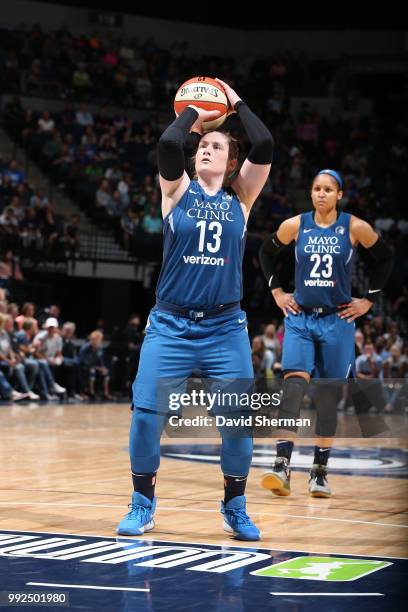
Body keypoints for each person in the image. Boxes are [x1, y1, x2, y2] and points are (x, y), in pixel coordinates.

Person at [117, 78, 273, 540]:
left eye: (217, 146)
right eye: (202, 145)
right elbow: (170, 140)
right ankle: (142, 502)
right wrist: (196, 114)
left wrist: (233, 99)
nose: (206, 149)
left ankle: (235, 504)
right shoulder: (176, 192)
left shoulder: (241, 199)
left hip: (225, 328)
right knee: (147, 415)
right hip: (170, 325)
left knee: (238, 424)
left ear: (231, 162)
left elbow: (263, 141)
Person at [258, 169, 393, 497]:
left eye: (328, 189)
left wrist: (368, 301)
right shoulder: (296, 225)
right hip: (301, 318)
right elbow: (265, 253)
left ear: (339, 195)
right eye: (316, 188)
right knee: (292, 389)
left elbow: (386, 257)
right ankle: (281, 465)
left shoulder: (353, 226)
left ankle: (319, 471)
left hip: (337, 321)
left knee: (327, 398)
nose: (321, 194)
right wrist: (277, 292)